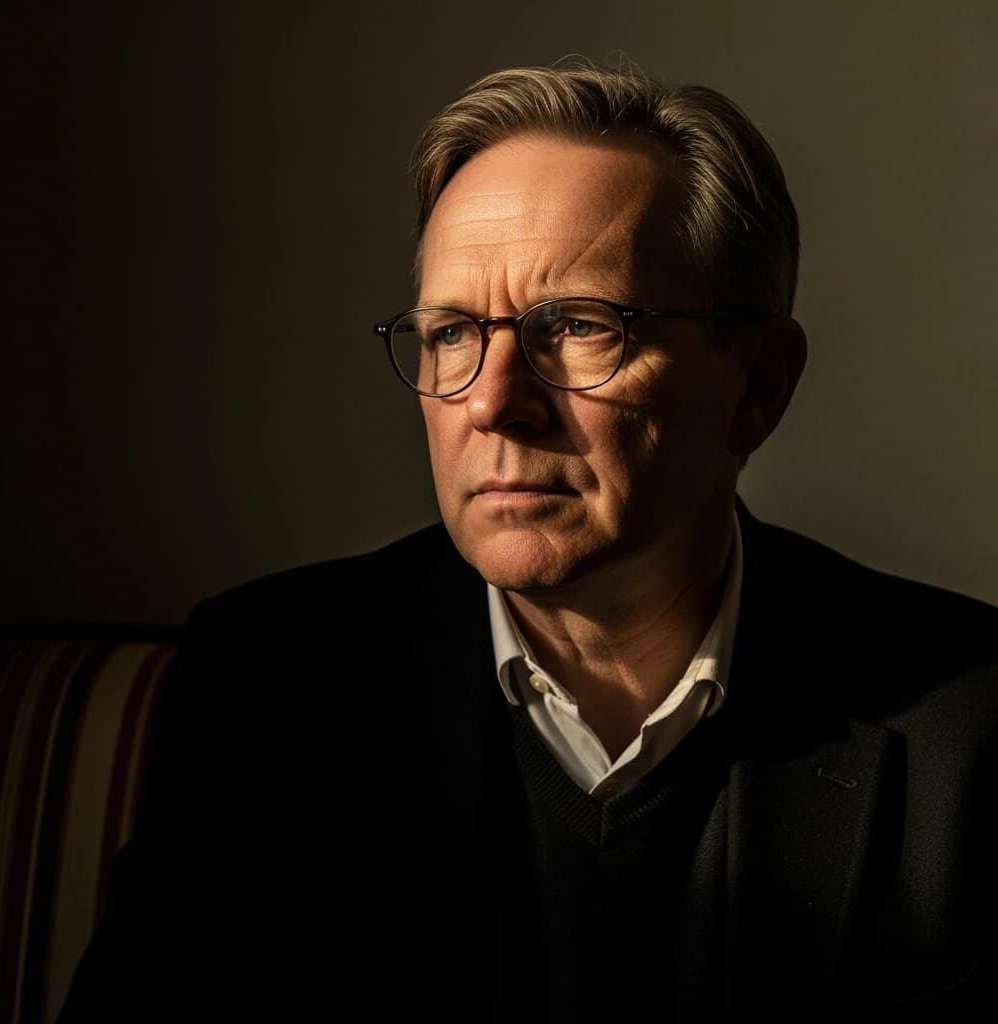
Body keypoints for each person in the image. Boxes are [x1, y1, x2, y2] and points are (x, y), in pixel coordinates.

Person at [57, 59, 997, 1023]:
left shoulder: (968, 728)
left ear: (756, 386)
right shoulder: (268, 687)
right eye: (454, 333)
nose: (494, 402)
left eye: (580, 326)